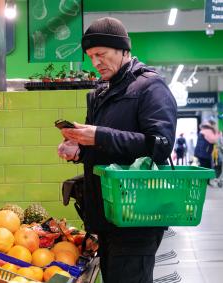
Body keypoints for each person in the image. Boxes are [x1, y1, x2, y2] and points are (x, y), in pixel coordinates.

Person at [56, 17, 177, 283]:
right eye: (90, 56)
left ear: (123, 50)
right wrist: (80, 150)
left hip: (137, 214)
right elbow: (107, 151)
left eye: (101, 54)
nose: (95, 62)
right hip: (107, 214)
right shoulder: (101, 93)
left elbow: (161, 144)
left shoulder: (150, 88)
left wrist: (99, 134)